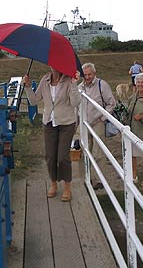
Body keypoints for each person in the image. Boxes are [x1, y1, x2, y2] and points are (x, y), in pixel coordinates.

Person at [23, 67, 81, 202]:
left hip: (66, 123)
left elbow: (75, 102)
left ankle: (67, 186)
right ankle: (53, 183)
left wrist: (73, 84)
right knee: (50, 156)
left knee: (62, 157)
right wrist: (27, 87)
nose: (54, 67)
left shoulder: (68, 80)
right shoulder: (45, 80)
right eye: (51, 64)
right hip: (49, 123)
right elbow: (34, 101)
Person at [77, 62, 116, 190]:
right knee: (83, 151)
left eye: (89, 74)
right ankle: (85, 178)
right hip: (83, 123)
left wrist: (103, 118)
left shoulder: (102, 85)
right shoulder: (79, 87)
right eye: (85, 75)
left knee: (98, 152)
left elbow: (111, 103)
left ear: (94, 74)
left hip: (97, 122)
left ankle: (99, 179)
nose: (87, 77)